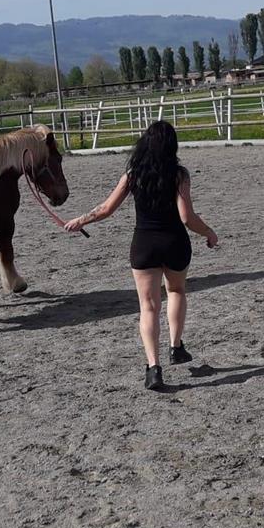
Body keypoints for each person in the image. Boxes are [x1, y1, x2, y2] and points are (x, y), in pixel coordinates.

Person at [64, 120, 218, 390]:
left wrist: (81, 220)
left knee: (148, 307)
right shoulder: (179, 175)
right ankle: (176, 346)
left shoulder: (133, 174)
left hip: (144, 245)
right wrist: (209, 233)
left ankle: (153, 367)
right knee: (177, 292)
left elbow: (106, 208)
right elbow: (187, 217)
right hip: (174, 243)